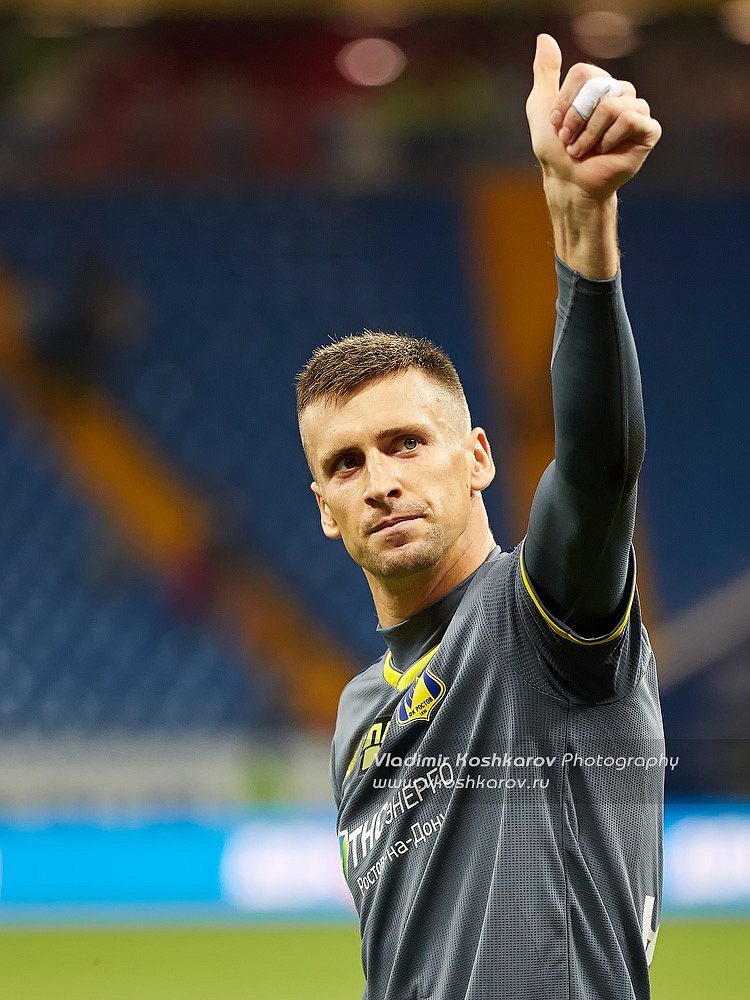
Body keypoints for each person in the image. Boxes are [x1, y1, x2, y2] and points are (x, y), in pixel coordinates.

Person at [296, 34, 663, 1000]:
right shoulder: (357, 716)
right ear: (325, 510)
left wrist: (583, 224)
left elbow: (596, 466)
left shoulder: (543, 615)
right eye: (346, 463)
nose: (379, 479)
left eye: (407, 443)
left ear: (479, 458)